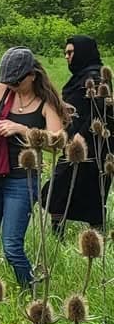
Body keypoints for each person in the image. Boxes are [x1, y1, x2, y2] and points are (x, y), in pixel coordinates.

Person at [0, 48, 67, 290]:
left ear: (32, 75)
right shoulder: (4, 89)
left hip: (22, 180)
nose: (12, 86)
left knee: (12, 246)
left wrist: (21, 130)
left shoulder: (47, 103)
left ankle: (30, 291)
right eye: (8, 81)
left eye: (17, 81)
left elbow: (57, 141)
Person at [43, 36, 110, 230]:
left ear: (83, 52)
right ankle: (58, 233)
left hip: (94, 145)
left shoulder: (96, 77)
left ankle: (97, 233)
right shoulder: (80, 77)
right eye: (65, 52)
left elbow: (101, 109)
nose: (66, 56)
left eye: (70, 52)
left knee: (88, 189)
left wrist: (83, 134)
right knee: (60, 188)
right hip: (73, 142)